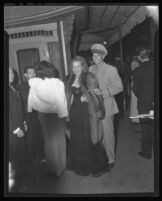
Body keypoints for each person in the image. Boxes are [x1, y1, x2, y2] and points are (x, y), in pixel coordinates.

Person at [66, 56, 109, 177]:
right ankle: (81, 165)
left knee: (89, 137)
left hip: (87, 113)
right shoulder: (70, 78)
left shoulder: (89, 76)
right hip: (74, 113)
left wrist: (87, 98)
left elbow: (97, 94)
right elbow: (69, 97)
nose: (76, 69)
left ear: (83, 66)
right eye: (74, 67)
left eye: (78, 66)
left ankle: (92, 166)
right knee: (78, 138)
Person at [27, 61, 68, 176]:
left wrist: (30, 110)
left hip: (43, 116)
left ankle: (55, 169)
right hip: (57, 115)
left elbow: (31, 99)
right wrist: (64, 115)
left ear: (40, 71)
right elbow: (61, 100)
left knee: (49, 141)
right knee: (60, 139)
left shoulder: (35, 83)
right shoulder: (57, 83)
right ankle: (62, 165)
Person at [89, 44, 123, 168]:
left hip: (107, 106)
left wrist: (102, 93)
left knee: (108, 134)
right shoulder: (90, 69)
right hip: (93, 108)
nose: (96, 57)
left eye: (98, 55)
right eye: (94, 55)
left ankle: (110, 159)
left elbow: (119, 87)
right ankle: (102, 157)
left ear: (103, 56)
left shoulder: (111, 69)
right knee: (97, 133)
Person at [18, 66, 44, 169]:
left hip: (40, 114)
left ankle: (42, 154)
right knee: (31, 137)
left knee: (41, 135)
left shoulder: (40, 84)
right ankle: (31, 159)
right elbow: (24, 101)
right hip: (28, 116)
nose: (33, 75)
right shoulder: (21, 87)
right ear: (25, 75)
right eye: (30, 73)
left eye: (34, 73)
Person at [132, 45, 154, 159]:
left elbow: (135, 90)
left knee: (145, 129)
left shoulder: (137, 71)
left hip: (144, 104)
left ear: (140, 58)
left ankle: (147, 153)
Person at [9, 67, 28, 192]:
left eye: (11, 71)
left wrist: (24, 122)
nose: (11, 74)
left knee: (20, 155)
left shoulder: (12, 87)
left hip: (20, 125)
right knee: (15, 158)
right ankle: (17, 185)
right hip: (12, 131)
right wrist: (16, 129)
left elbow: (19, 108)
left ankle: (22, 176)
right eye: (8, 72)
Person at [130, 55, 140, 125]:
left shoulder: (133, 63)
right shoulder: (136, 63)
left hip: (134, 81)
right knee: (135, 101)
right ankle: (136, 118)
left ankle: (135, 118)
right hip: (136, 81)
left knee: (134, 101)